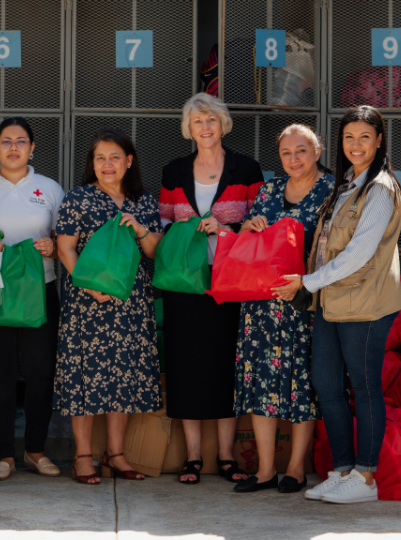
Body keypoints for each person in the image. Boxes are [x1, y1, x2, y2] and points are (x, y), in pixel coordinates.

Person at [274, 106, 401, 504]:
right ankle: (344, 470)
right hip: (331, 301)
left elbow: (359, 253)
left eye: (365, 137)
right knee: (327, 385)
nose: (356, 145)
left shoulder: (380, 188)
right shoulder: (346, 183)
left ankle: (366, 478)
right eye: (349, 137)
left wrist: (307, 283)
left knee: (363, 388)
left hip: (365, 304)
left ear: (379, 140)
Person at [158, 92, 264, 485]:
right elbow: (164, 225)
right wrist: (187, 229)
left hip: (230, 280)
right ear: (188, 128)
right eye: (198, 121)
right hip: (184, 282)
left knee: (225, 366)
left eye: (211, 119)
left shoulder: (246, 168)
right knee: (186, 366)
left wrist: (225, 229)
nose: (205, 127)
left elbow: (260, 224)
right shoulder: (174, 171)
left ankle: (226, 456)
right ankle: (192, 457)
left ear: (223, 124)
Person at [55, 128, 163, 485]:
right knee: (85, 378)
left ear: (129, 161)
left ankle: (115, 455)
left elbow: (154, 252)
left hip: (130, 302)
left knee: (123, 377)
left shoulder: (144, 202)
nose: (107, 164)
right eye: (100, 158)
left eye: (114, 157)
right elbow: (65, 248)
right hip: (87, 303)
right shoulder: (78, 198)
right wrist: (87, 284)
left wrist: (140, 229)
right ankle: (82, 456)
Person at [232, 124, 335, 494]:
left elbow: (336, 248)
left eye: (301, 150)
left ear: (317, 151)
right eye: (286, 153)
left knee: (301, 385)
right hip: (261, 304)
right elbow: (249, 242)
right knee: (262, 383)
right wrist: (249, 227)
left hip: (304, 303)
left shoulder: (332, 190)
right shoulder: (270, 189)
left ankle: (295, 469)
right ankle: (264, 471)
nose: (294, 159)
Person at [0, 117, 65, 480]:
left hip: (39, 289)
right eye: (6, 141)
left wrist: (54, 247)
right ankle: (4, 454)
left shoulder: (50, 189)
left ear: (32, 147)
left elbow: (65, 238)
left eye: (21, 141)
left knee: (41, 373)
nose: (13, 147)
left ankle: (35, 451)